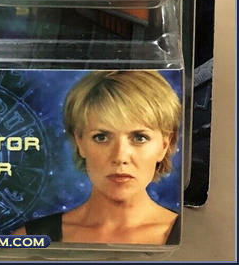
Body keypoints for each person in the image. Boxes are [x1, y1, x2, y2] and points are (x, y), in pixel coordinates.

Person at [16, 70, 181, 245]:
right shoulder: (29, 238)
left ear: (165, 145)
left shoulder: (191, 238)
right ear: (79, 143)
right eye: (101, 137)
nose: (120, 157)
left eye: (139, 138)